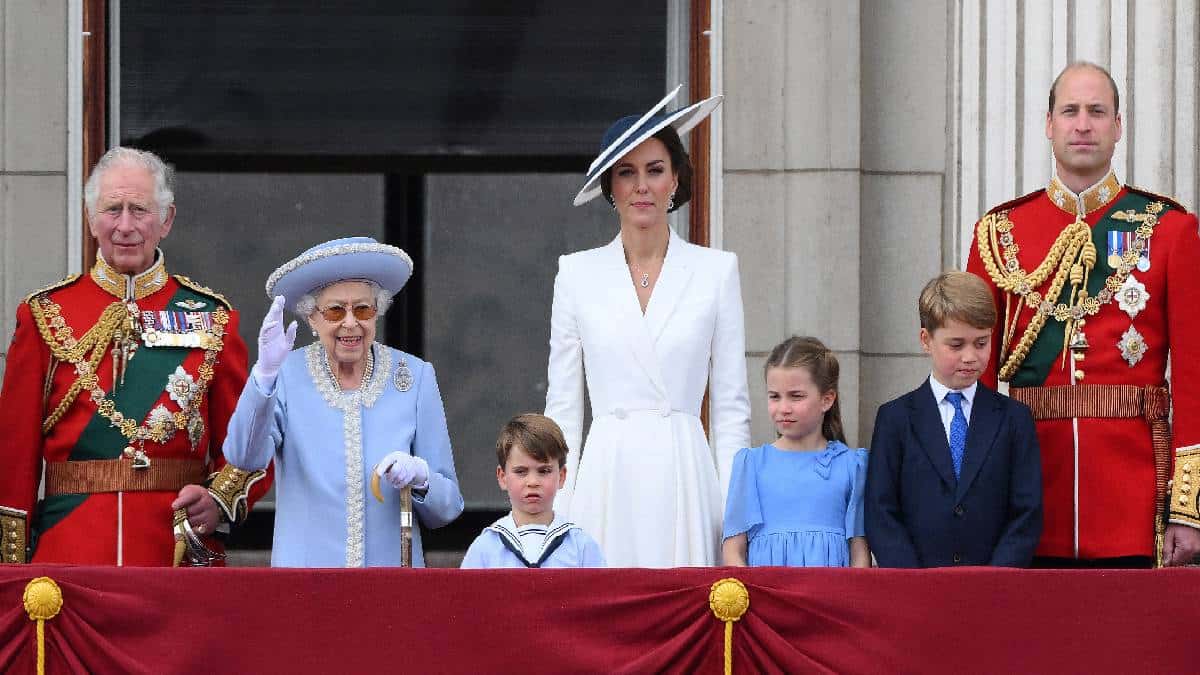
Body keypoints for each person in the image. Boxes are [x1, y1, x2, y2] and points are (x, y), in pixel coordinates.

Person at [965, 62, 1200, 568]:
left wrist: (1188, 506)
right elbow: (975, 376)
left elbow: (1192, 375)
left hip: (1134, 498)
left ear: (1118, 127)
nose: (1083, 124)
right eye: (1070, 111)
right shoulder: (999, 233)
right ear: (1049, 124)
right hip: (1027, 494)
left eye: (1097, 112)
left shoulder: (1169, 229)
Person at [0, 146, 269, 566]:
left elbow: (247, 445)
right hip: (68, 556)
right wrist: (10, 573)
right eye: (112, 210)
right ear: (91, 219)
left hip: (175, 556)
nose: (125, 226)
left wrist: (217, 501)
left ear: (167, 220)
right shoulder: (44, 314)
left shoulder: (214, 319)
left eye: (140, 210)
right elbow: (12, 460)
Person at [545, 86, 751, 567]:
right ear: (609, 188)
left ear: (675, 179)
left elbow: (730, 410)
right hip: (605, 475)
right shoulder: (576, 273)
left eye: (655, 170)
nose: (642, 186)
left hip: (684, 470)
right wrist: (560, 509)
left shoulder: (716, 271)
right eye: (627, 173)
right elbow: (563, 408)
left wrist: (732, 521)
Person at [221, 237, 463, 567]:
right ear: (312, 318)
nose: (350, 323)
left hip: (390, 590)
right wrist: (264, 374)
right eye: (335, 311)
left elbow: (447, 508)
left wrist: (422, 479)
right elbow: (244, 457)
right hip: (305, 590)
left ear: (376, 312)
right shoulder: (286, 376)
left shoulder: (415, 378)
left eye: (362, 309)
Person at [865, 272, 1043, 567]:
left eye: (981, 343)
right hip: (917, 589)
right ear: (926, 340)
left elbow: (1026, 511)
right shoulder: (895, 418)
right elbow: (881, 510)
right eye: (956, 345)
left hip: (993, 590)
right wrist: (911, 580)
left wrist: (996, 578)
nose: (971, 356)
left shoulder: (1014, 419)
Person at [721, 337, 869, 568]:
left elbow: (859, 552)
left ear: (827, 400)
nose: (783, 408)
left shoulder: (852, 465)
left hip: (828, 598)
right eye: (774, 396)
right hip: (766, 598)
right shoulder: (751, 464)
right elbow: (733, 550)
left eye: (796, 396)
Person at [460, 413, 605, 569]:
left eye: (544, 471)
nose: (533, 482)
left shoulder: (581, 546)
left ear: (561, 476)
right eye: (521, 471)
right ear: (503, 477)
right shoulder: (485, 547)